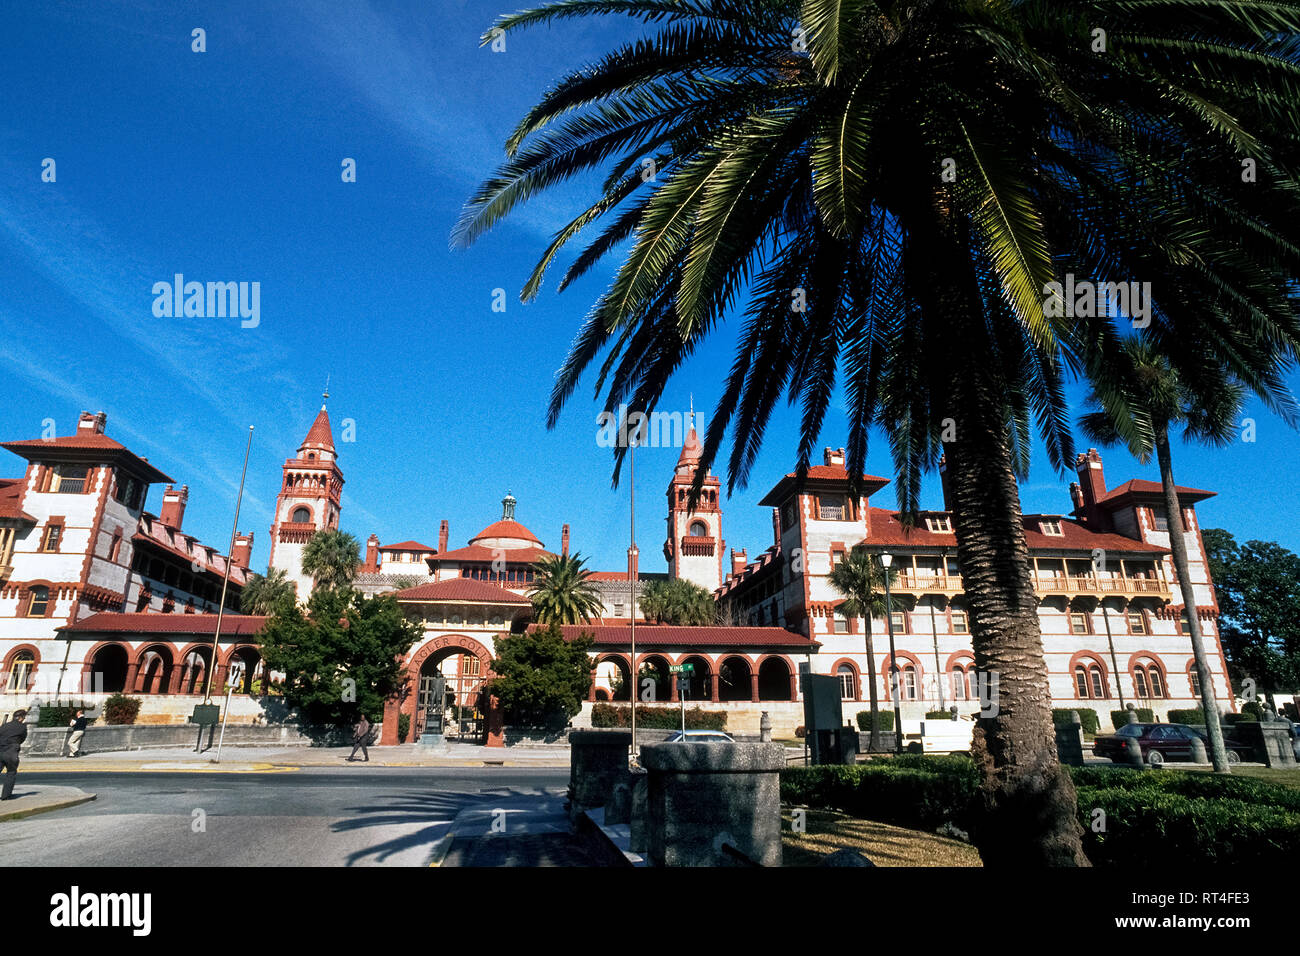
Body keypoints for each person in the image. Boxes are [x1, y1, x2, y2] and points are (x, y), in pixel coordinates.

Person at [0, 710, 28, 800]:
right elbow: (22, 738)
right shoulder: (22, 727)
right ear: (20, 718)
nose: (24, 719)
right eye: (23, 718)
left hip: (1, 750)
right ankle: (6, 796)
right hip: (11, 752)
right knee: (11, 773)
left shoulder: (4, 726)